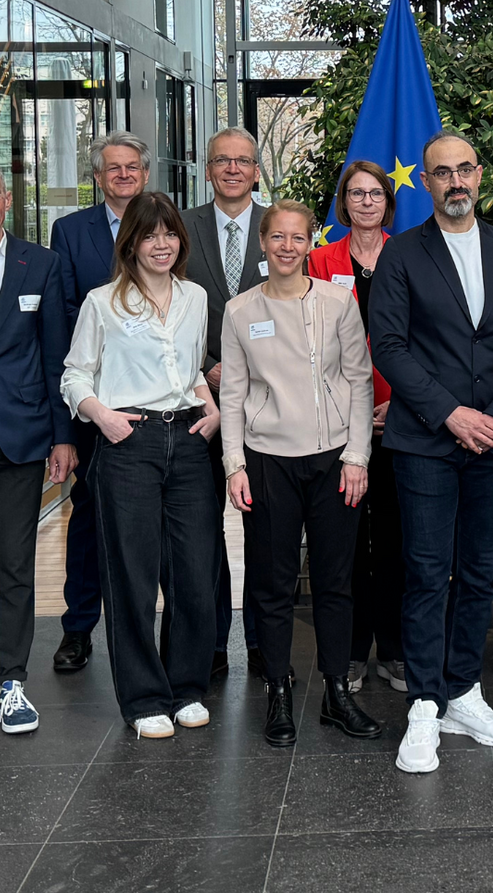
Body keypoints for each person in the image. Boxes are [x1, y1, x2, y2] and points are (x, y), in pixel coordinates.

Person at [369, 130, 493, 775]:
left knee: (479, 570)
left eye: (465, 169)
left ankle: (464, 690)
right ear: (427, 183)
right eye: (443, 173)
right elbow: (389, 348)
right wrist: (451, 414)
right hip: (427, 444)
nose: (456, 182)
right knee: (426, 571)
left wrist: (491, 416)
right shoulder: (403, 255)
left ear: (479, 173)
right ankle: (423, 702)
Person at [61, 192, 221, 739]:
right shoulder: (102, 303)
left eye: (170, 234)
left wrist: (213, 406)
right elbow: (74, 375)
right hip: (130, 444)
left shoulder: (195, 297)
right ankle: (144, 698)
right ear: (130, 241)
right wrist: (103, 418)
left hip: (191, 440)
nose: (162, 244)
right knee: (130, 575)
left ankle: (186, 687)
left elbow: (194, 368)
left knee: (196, 573)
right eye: (150, 234)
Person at [221, 199, 379, 748]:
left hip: (334, 460)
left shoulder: (339, 303)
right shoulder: (240, 310)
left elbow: (360, 381)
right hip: (267, 463)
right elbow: (233, 395)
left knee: (335, 583)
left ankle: (338, 693)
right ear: (262, 243)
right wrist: (234, 466)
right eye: (277, 237)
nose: (287, 246)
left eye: (297, 237)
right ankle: (279, 693)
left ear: (310, 243)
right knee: (272, 584)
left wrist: (357, 456)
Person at [49, 131, 151, 674]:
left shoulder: (163, 223)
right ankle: (77, 629)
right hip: (93, 404)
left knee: (155, 523)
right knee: (87, 517)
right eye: (114, 168)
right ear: (98, 176)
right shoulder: (69, 231)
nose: (124, 175)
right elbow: (64, 316)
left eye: (132, 167)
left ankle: (151, 632)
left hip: (157, 403)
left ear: (145, 172)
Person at [0, 162, 76, 734]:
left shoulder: (40, 264)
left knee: (16, 563)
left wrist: (64, 436)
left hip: (18, 432)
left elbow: (54, 355)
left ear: (9, 200)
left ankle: (10, 683)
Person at [308, 160, 405, 694]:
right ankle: (347, 652)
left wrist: (404, 401)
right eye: (356, 194)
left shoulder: (411, 254)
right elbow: (309, 341)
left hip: (402, 419)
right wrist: (348, 406)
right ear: (344, 203)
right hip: (337, 422)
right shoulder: (320, 260)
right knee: (344, 543)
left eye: (375, 194)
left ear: (388, 203)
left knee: (394, 541)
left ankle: (393, 651)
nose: (366, 202)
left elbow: (424, 339)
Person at [182, 127, 267, 677]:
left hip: (265, 406)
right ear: (207, 169)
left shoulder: (280, 227)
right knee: (200, 533)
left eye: (242, 161)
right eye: (222, 161)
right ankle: (210, 642)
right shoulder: (179, 228)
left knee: (264, 529)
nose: (232, 169)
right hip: (197, 406)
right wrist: (202, 369)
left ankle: (262, 640)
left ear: (257, 170)